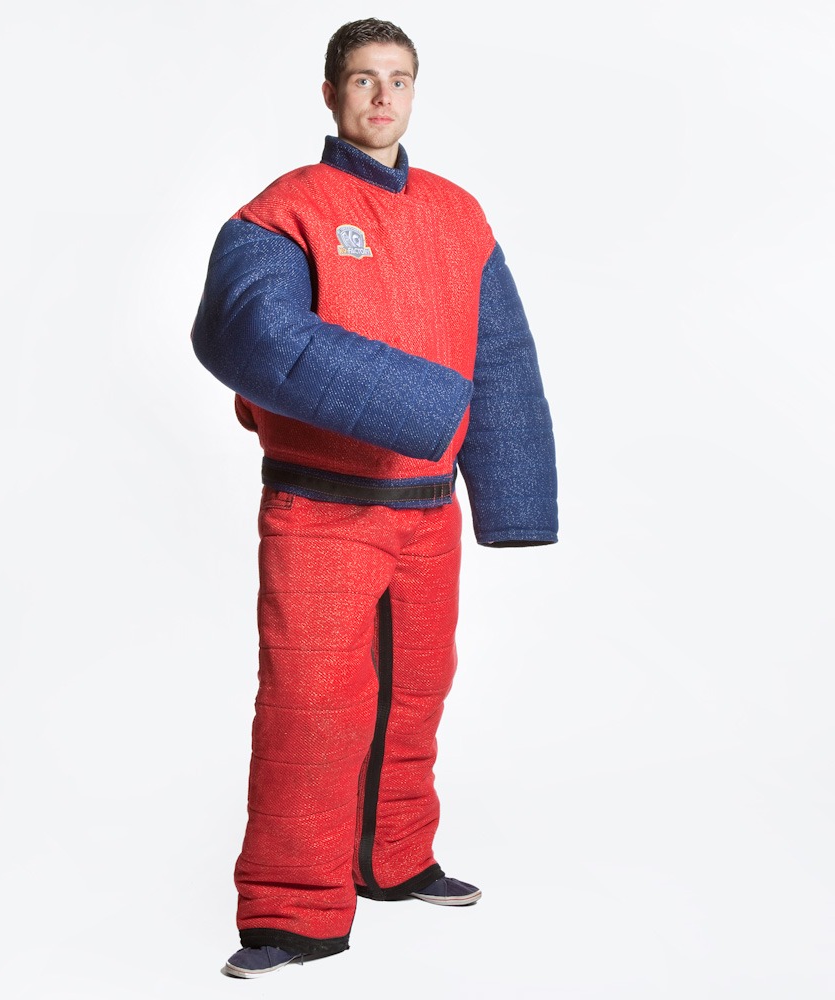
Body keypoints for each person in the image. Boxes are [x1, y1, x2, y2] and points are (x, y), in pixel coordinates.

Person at [191, 17, 558, 979]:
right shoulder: (287, 209)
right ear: (331, 94)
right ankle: (290, 913)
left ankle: (393, 859)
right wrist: (426, 405)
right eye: (363, 79)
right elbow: (247, 333)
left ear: (415, 91)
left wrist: (514, 495)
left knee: (413, 694)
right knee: (312, 708)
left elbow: (500, 355)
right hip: (323, 509)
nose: (383, 96)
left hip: (428, 511)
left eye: (398, 78)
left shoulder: (457, 213)